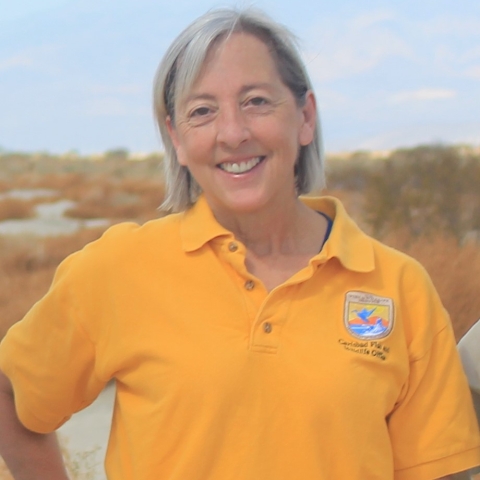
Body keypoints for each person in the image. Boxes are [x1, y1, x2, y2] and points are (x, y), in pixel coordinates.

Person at [0, 7, 479, 480]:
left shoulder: (399, 287)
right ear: (178, 139)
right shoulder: (118, 268)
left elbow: (440, 469)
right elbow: (11, 395)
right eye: (202, 111)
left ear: (305, 116)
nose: (232, 133)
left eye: (256, 101)